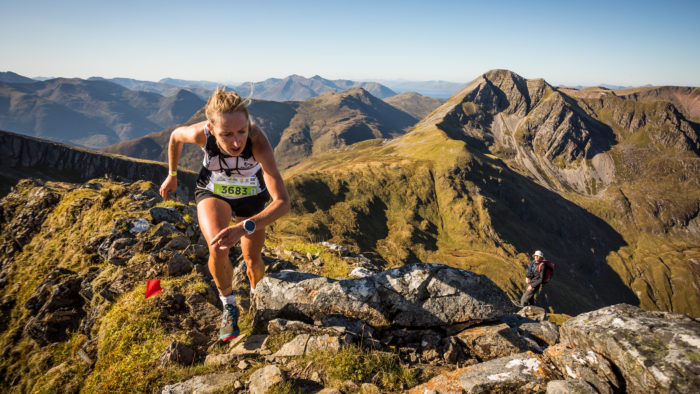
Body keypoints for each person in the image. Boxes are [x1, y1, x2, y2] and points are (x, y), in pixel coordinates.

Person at [159, 88, 290, 341]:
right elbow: (175, 137)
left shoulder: (258, 141)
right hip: (213, 190)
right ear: (211, 128)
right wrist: (172, 175)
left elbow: (283, 203)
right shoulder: (201, 133)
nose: (237, 142)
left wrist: (243, 228)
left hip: (252, 194)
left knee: (252, 258)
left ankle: (256, 296)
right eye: (226, 134)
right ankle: (228, 305)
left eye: (241, 132)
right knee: (218, 246)